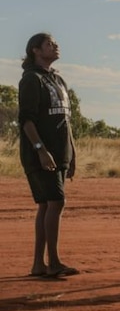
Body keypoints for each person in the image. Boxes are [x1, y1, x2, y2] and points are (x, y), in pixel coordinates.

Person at [18, 32, 80, 278]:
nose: (55, 46)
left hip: (60, 152)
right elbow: (26, 120)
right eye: (49, 44)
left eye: (55, 43)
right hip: (41, 154)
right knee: (56, 202)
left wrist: (72, 151)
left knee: (46, 205)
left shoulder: (58, 80)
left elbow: (66, 120)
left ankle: (38, 265)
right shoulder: (31, 80)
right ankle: (53, 263)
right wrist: (40, 150)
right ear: (35, 50)